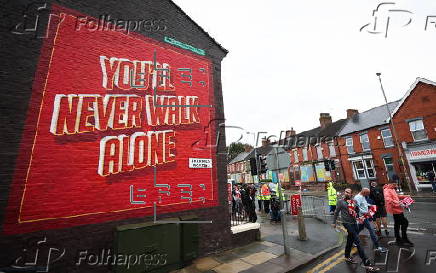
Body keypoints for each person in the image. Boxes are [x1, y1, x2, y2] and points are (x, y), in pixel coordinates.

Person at [332, 188, 378, 271]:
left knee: (350, 239)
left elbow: (357, 211)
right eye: (346, 192)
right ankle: (366, 263)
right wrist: (333, 222)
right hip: (346, 223)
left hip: (354, 223)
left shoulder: (353, 202)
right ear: (344, 192)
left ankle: (346, 256)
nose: (347, 193)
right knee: (358, 241)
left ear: (351, 194)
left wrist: (364, 213)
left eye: (349, 193)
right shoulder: (340, 202)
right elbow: (336, 212)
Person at [354, 188, 387, 253]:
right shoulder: (358, 198)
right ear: (364, 193)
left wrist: (371, 205)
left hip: (364, 216)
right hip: (362, 217)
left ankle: (353, 239)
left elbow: (364, 204)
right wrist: (365, 212)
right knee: (371, 230)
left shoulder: (362, 196)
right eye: (367, 194)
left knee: (359, 229)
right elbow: (356, 208)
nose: (368, 195)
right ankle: (378, 247)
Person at [384, 182, 413, 246]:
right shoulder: (386, 190)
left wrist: (405, 196)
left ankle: (399, 239)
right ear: (390, 184)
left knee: (397, 224)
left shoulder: (393, 189)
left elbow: (396, 196)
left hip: (398, 209)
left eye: (396, 184)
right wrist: (398, 203)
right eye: (394, 184)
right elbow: (388, 199)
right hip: (395, 209)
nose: (396, 186)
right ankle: (403, 238)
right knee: (405, 222)